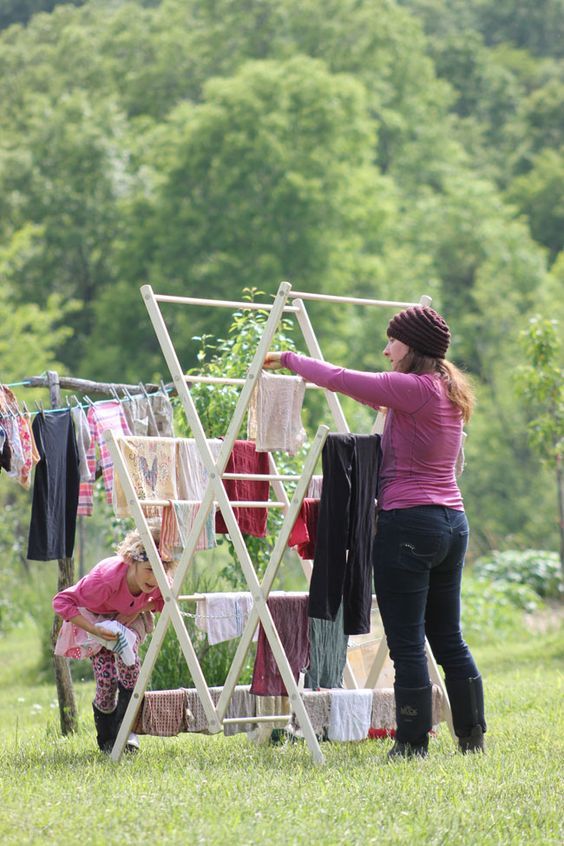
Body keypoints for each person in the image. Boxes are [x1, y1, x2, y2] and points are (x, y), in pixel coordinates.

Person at [264, 305, 486, 759]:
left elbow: (343, 379)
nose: (386, 351)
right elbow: (373, 397)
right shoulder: (444, 389)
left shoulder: (411, 388)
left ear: (414, 348)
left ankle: (410, 744)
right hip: (452, 524)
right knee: (447, 636)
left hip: (408, 524)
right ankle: (472, 736)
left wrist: (290, 359)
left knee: (406, 639)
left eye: (393, 342)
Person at [53, 527, 174, 753]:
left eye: (160, 571)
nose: (155, 578)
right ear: (132, 562)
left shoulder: (160, 582)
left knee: (130, 665)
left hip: (130, 619)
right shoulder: (104, 581)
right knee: (107, 680)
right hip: (98, 621)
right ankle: (107, 739)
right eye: (149, 570)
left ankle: (126, 731)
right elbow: (61, 602)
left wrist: (140, 606)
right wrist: (95, 631)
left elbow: (166, 601)